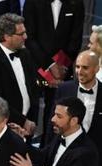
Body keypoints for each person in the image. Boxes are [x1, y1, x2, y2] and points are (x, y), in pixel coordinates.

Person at [23, 0, 84, 143]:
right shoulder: (32, 2)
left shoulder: (76, 3)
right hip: (35, 68)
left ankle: (48, 151)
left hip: (62, 71)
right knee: (31, 109)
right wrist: (49, 66)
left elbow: (75, 40)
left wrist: (59, 67)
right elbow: (29, 38)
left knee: (58, 112)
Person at [0, 13, 39, 136]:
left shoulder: (26, 54)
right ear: (7, 37)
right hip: (6, 128)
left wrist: (31, 121)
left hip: (29, 127)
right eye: (21, 34)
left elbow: (33, 90)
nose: (26, 37)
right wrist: (22, 122)